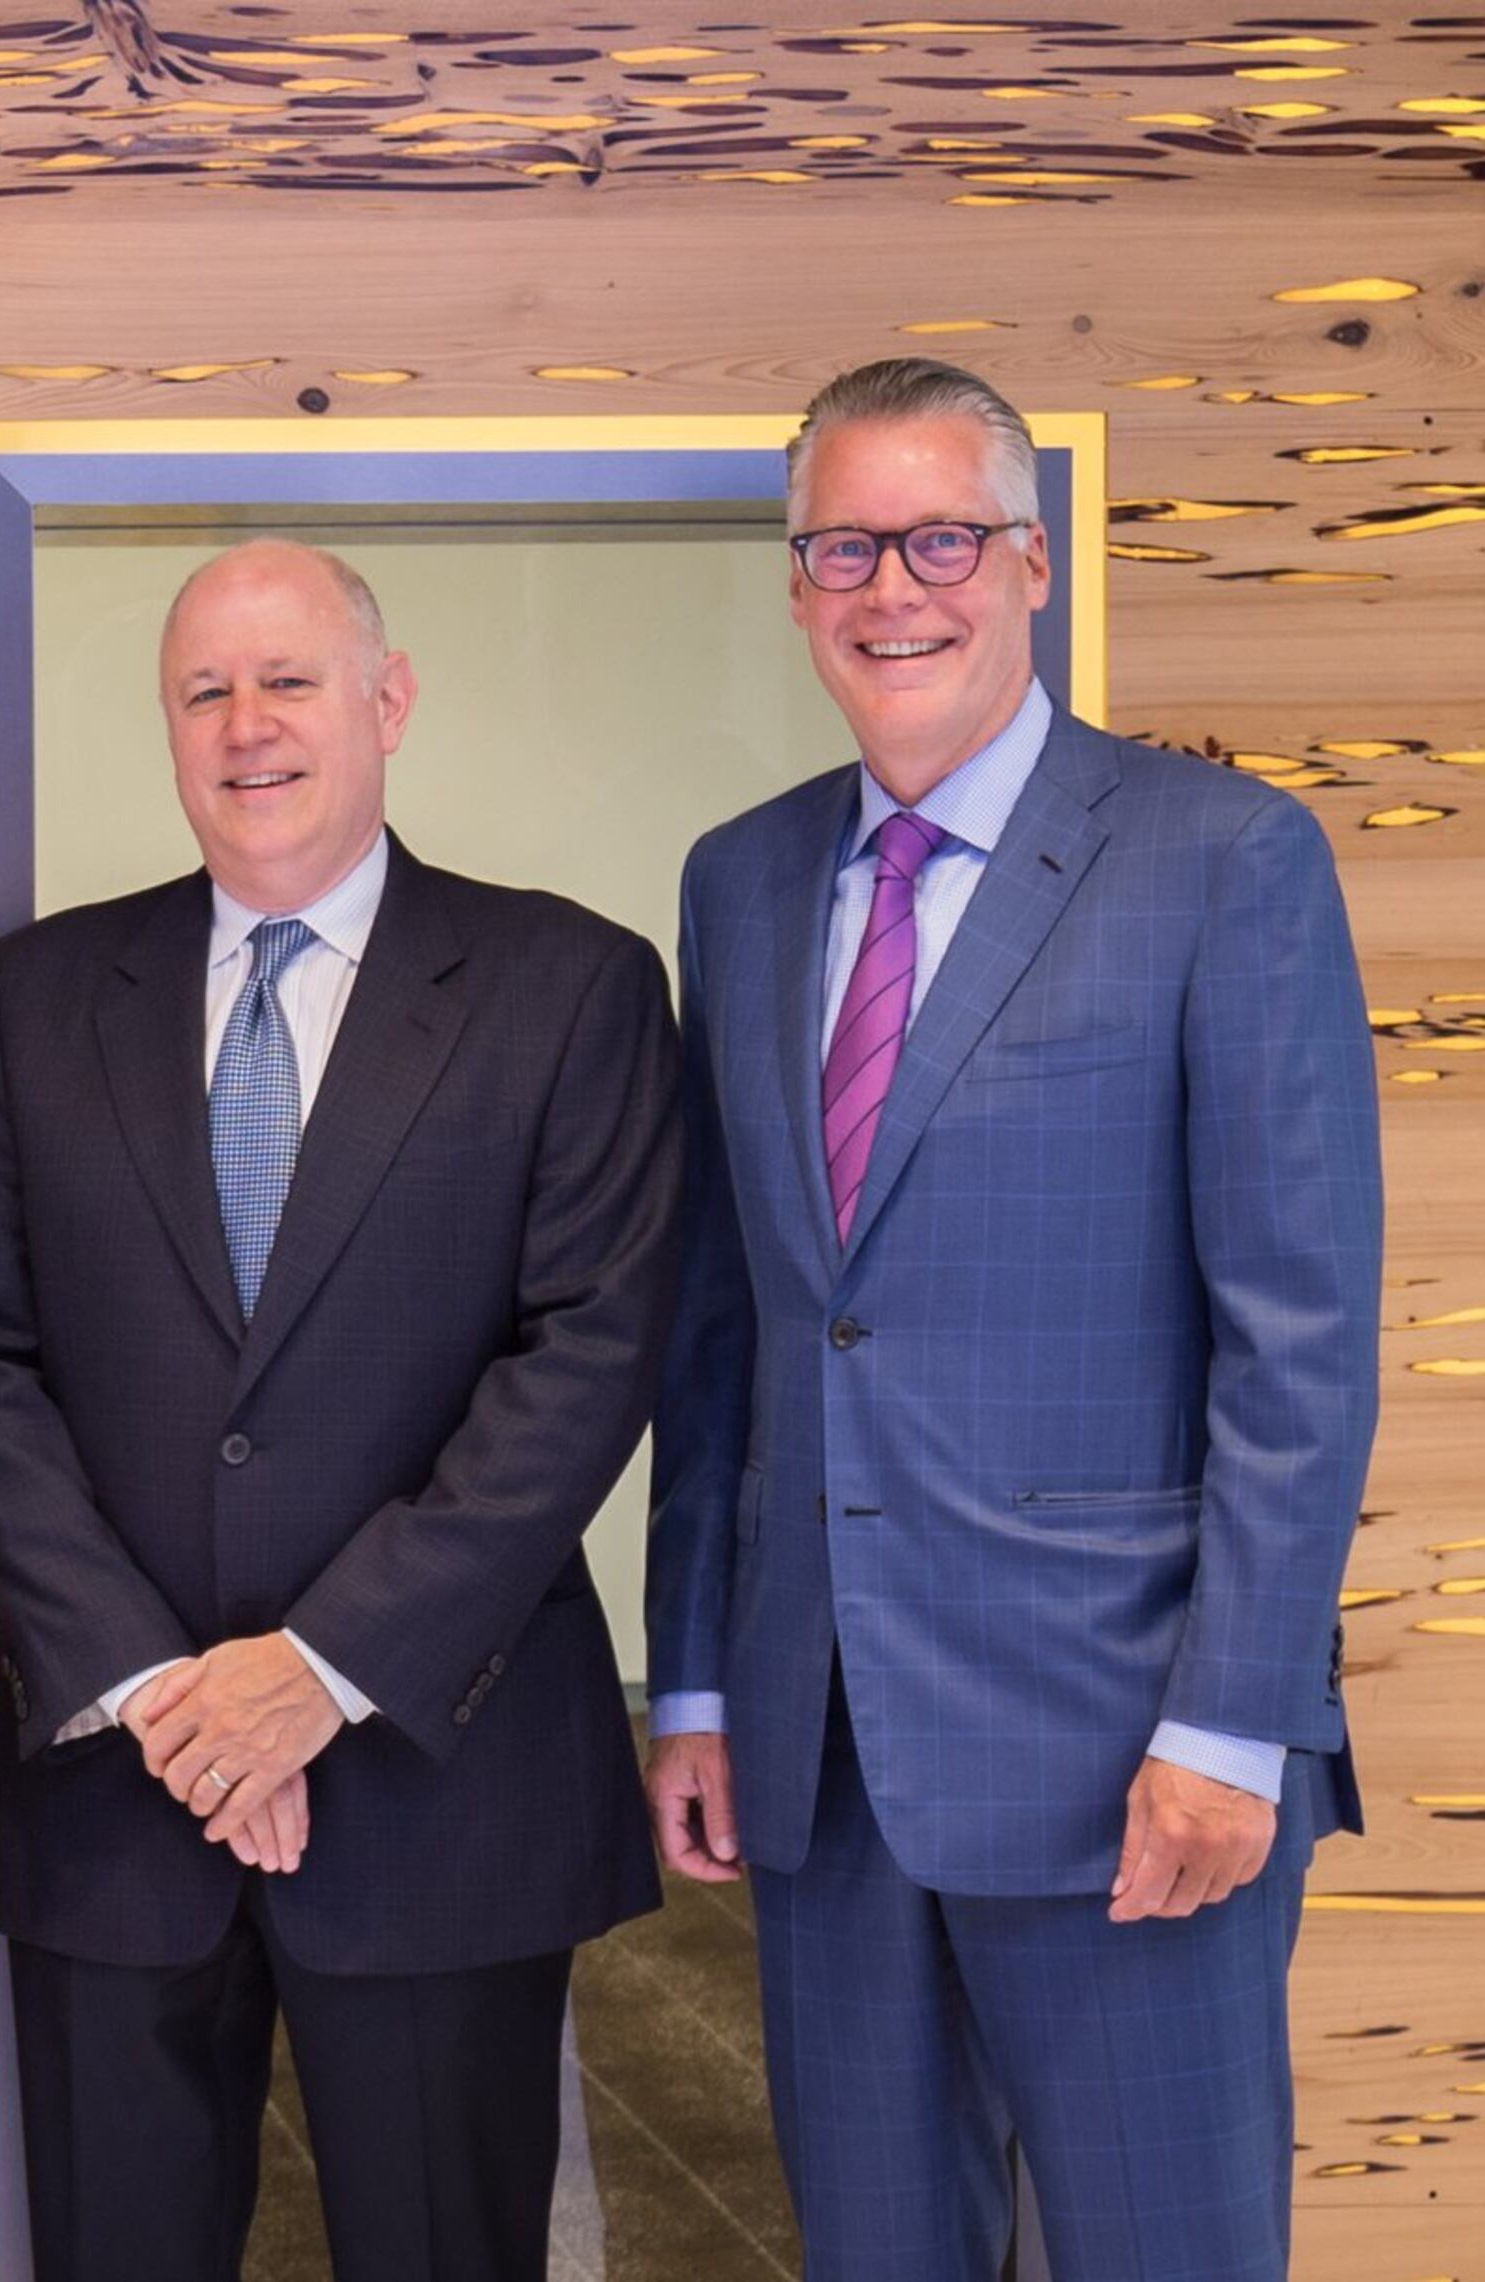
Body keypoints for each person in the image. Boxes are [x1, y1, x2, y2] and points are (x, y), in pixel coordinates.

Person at [645, 357, 1379, 2280]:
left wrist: (1235, 1723)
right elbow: (722, 1323)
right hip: (823, 1758)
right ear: (798, 582)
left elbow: (1295, 1342)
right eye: (843, 546)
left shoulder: (1224, 861)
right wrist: (701, 1677)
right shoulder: (737, 879)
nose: (895, 587)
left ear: (1032, 562)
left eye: (942, 537)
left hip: (1129, 1753)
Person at [0, 541, 681, 2281]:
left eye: (289, 681)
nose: (246, 725)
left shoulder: (568, 987)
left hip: (439, 1784)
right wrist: (164, 1693)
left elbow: (587, 1361)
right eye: (205, 689)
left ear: (388, 700)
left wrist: (317, 1670)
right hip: (119, 1793)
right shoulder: (31, 1004)